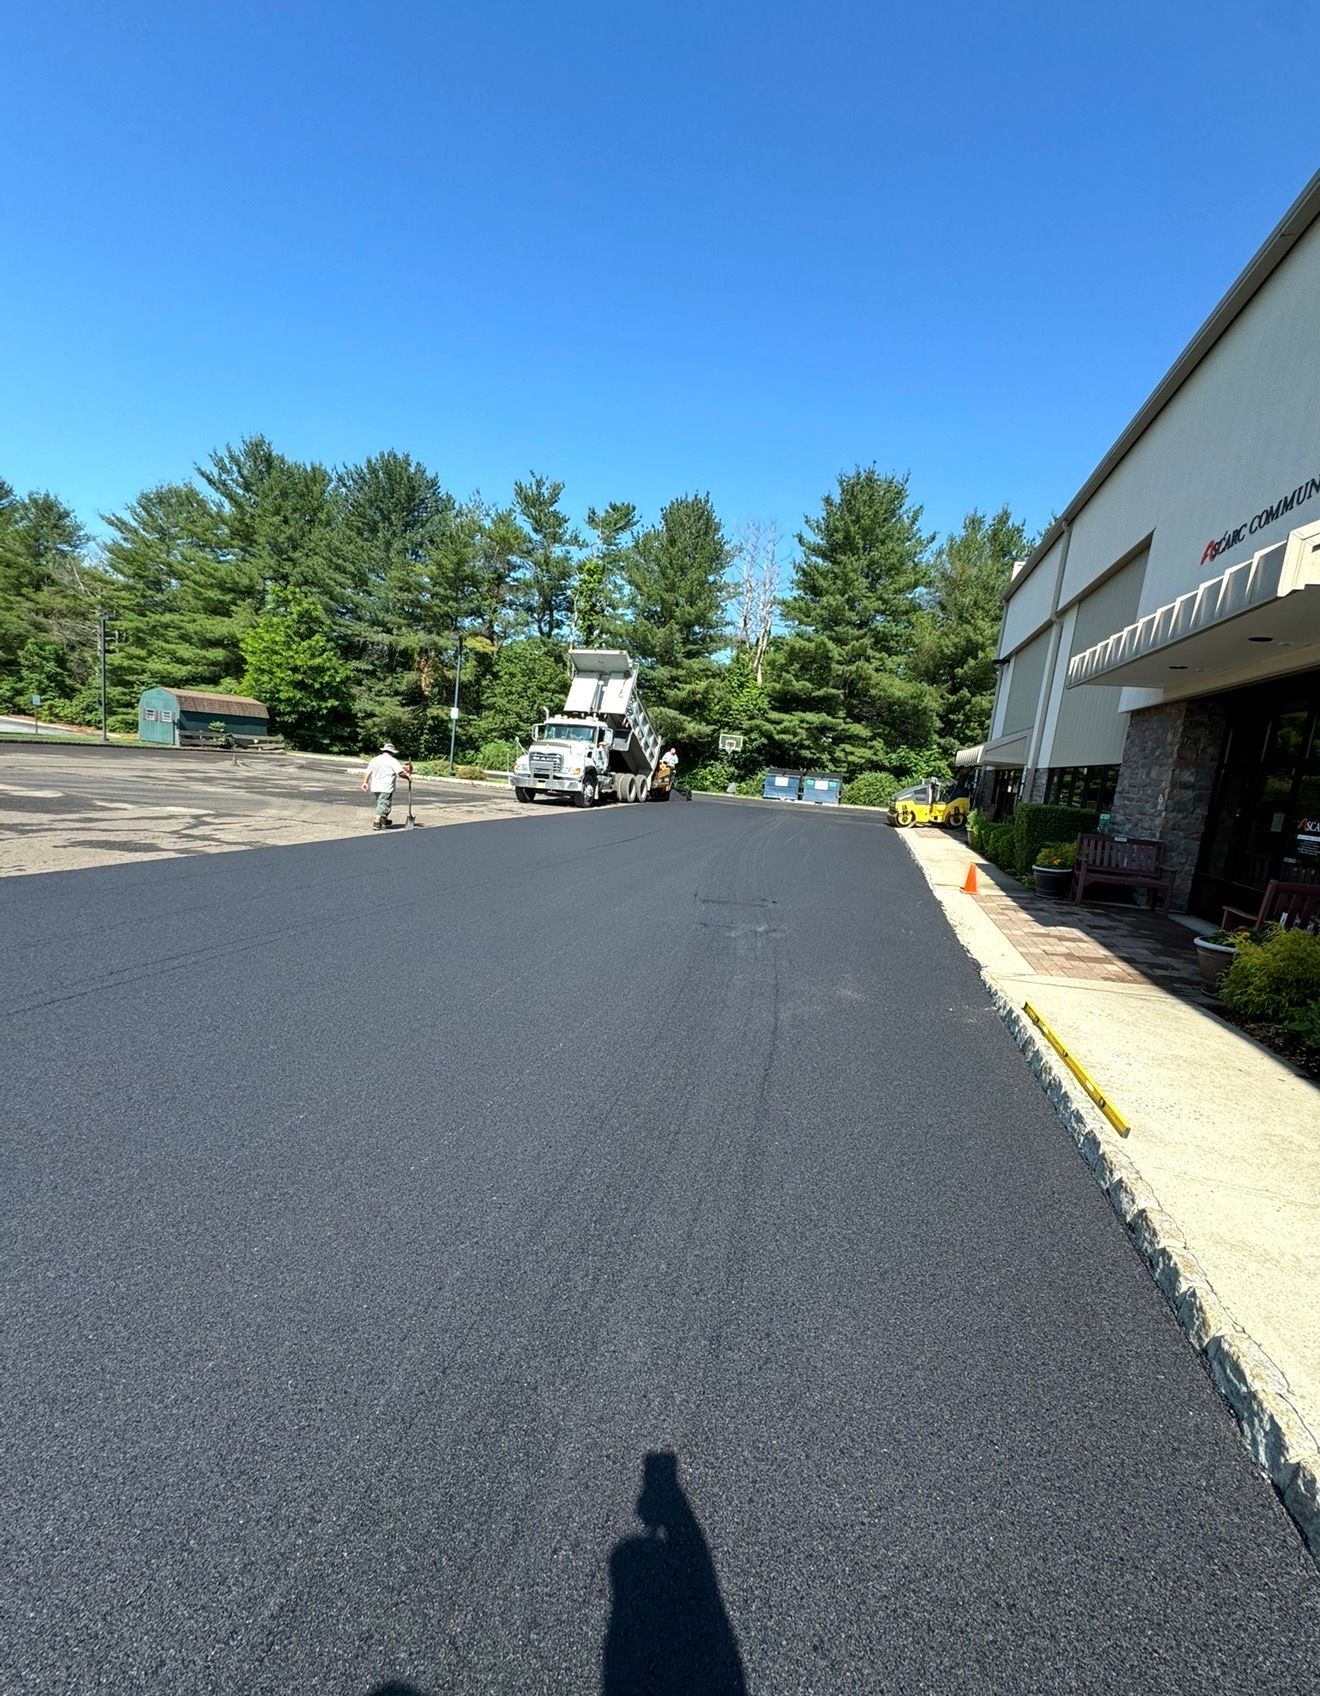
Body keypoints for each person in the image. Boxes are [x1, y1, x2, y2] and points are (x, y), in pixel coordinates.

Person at [361, 741, 411, 830]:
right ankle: (376, 823)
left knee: (382, 803)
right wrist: (408, 778)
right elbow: (400, 773)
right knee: (384, 803)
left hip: (375, 786)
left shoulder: (375, 759)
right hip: (386, 786)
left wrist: (365, 782)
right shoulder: (392, 761)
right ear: (392, 752)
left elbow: (368, 772)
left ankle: (384, 820)